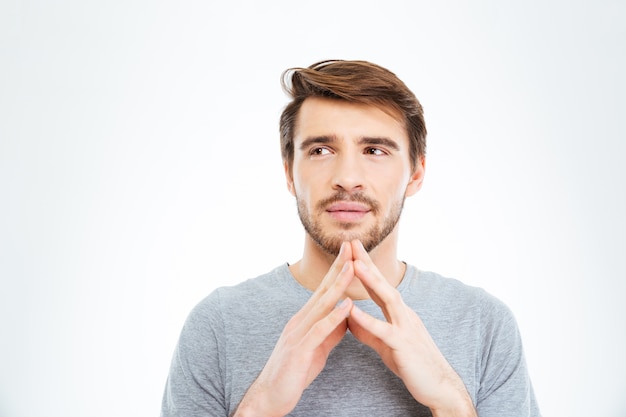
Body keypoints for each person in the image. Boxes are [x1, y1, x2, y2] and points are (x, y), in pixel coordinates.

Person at [161, 60, 541, 417]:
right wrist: (260, 405)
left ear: (415, 174)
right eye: (320, 150)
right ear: (290, 173)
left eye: (374, 150)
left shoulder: (483, 324)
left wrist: (448, 397)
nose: (347, 176)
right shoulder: (218, 325)